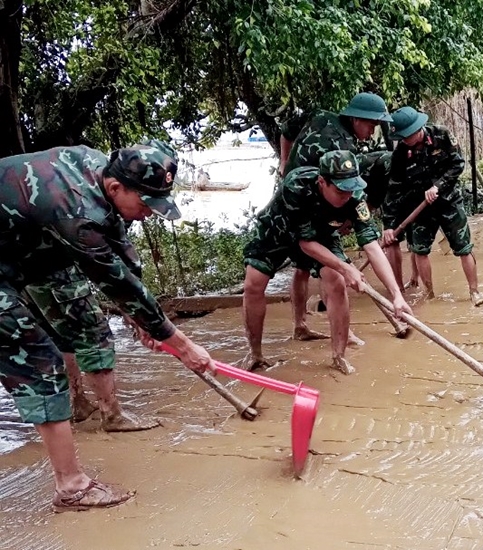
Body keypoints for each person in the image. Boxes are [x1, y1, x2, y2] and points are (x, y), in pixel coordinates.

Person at [0, 142, 215, 512]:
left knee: (74, 329)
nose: (148, 214)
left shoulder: (102, 169)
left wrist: (141, 317)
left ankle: (105, 421)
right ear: (116, 188)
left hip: (27, 254)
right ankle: (72, 489)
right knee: (41, 363)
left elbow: (120, 249)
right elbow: (112, 279)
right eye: (146, 204)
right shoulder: (74, 212)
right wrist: (183, 345)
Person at [241, 93, 394, 370]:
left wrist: (396, 295)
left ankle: (339, 355)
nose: (349, 196)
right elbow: (305, 243)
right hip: (281, 225)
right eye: (341, 190)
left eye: (352, 189)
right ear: (322, 182)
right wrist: (347, 268)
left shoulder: (353, 192)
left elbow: (371, 244)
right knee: (253, 283)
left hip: (320, 226)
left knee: (334, 280)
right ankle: (256, 354)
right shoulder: (296, 185)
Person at [25, 264, 161, 432]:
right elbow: (102, 260)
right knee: (94, 333)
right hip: (55, 268)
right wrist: (129, 307)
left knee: (61, 334)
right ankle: (112, 415)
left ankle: (78, 403)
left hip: (23, 275)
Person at [382, 106, 483, 306]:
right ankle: (429, 294)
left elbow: (458, 164)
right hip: (420, 208)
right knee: (419, 250)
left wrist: (437, 186)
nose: (403, 140)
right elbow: (394, 190)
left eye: (405, 136)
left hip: (449, 202)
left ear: (417, 130)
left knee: (464, 247)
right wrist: (388, 225)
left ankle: (475, 291)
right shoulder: (401, 154)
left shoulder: (442, 135)